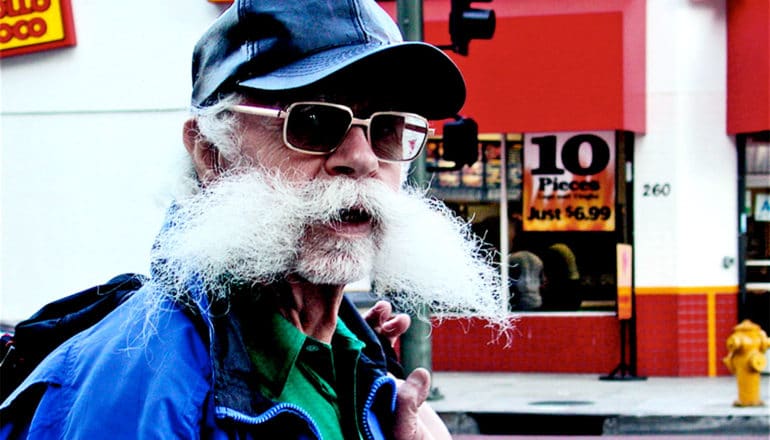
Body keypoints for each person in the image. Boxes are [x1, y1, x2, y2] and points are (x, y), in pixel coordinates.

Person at [0, 0, 509, 438]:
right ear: (211, 155)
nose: (362, 158)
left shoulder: (355, 352)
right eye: (312, 121)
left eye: (388, 130)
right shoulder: (139, 385)